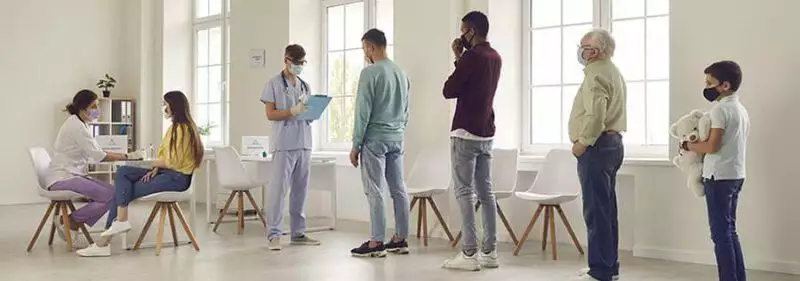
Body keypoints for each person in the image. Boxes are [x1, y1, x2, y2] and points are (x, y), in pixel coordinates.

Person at [77, 91, 204, 257]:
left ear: (175, 106)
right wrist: (155, 168)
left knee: (121, 190)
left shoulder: (181, 129)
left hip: (176, 180)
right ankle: (117, 226)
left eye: (166, 104)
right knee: (123, 172)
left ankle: (106, 240)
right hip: (168, 174)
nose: (164, 108)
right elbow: (168, 158)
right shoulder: (176, 128)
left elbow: (172, 162)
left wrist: (146, 162)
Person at [441, 11, 502, 271]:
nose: (461, 35)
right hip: (486, 132)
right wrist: (460, 58)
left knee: (464, 192)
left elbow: (449, 89)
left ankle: (468, 253)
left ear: (472, 31)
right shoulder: (495, 57)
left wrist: (459, 58)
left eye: (463, 30)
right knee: (486, 192)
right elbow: (475, 84)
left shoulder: (472, 57)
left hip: (465, 132)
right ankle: (489, 251)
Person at [569, 28, 626, 281]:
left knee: (595, 211)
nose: (580, 51)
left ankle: (600, 271)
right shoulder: (613, 71)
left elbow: (596, 113)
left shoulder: (595, 74)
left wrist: (583, 142)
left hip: (597, 147)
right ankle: (608, 266)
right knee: (607, 210)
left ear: (596, 50)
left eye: (584, 46)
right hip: (613, 145)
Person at [348, 28, 411, 258]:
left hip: (375, 139)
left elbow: (362, 112)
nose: (365, 53)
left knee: (374, 190)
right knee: (399, 188)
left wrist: (356, 145)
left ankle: (376, 242)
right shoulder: (401, 73)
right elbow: (406, 111)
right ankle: (400, 239)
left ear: (370, 47)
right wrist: (399, 132)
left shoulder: (370, 73)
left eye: (365, 48)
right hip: (397, 138)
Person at [46, 90, 134, 247]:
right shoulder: (77, 127)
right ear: (82, 108)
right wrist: (128, 157)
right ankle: (69, 221)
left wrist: (125, 155)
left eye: (98, 105)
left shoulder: (78, 123)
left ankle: (71, 221)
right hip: (63, 178)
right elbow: (99, 156)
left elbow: (97, 151)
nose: (97, 110)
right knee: (113, 195)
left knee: (113, 193)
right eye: (93, 106)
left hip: (71, 175)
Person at [686, 61, 749, 281]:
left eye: (709, 83)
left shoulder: (720, 110)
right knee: (730, 232)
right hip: (736, 174)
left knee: (720, 235)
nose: (706, 86)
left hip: (718, 177)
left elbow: (712, 146)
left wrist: (689, 146)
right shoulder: (740, 109)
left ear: (725, 85)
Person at [261, 44, 320, 250]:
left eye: (302, 63)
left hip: (304, 142)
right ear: (286, 60)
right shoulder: (273, 84)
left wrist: (311, 112)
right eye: (295, 63)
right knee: (278, 191)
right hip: (284, 143)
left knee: (300, 190)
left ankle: (298, 233)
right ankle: (274, 234)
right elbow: (270, 114)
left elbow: (307, 112)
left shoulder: (305, 85)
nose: (299, 66)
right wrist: (292, 111)